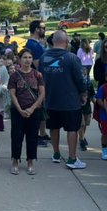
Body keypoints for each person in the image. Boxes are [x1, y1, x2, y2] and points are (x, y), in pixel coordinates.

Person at [39, 31, 89, 170]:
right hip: (70, 102)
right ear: (66, 42)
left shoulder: (44, 57)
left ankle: (56, 154)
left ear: (53, 41)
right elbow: (80, 79)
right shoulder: (71, 58)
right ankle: (72, 158)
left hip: (50, 101)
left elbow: (40, 78)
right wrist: (83, 93)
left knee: (54, 127)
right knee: (72, 129)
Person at [8, 48, 45, 176]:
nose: (27, 60)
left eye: (30, 57)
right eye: (25, 57)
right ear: (19, 59)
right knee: (17, 137)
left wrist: (32, 108)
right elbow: (12, 94)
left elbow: (42, 93)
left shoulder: (37, 75)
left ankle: (30, 162)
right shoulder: (14, 76)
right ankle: (15, 161)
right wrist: (20, 109)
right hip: (18, 110)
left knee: (32, 137)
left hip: (33, 111)